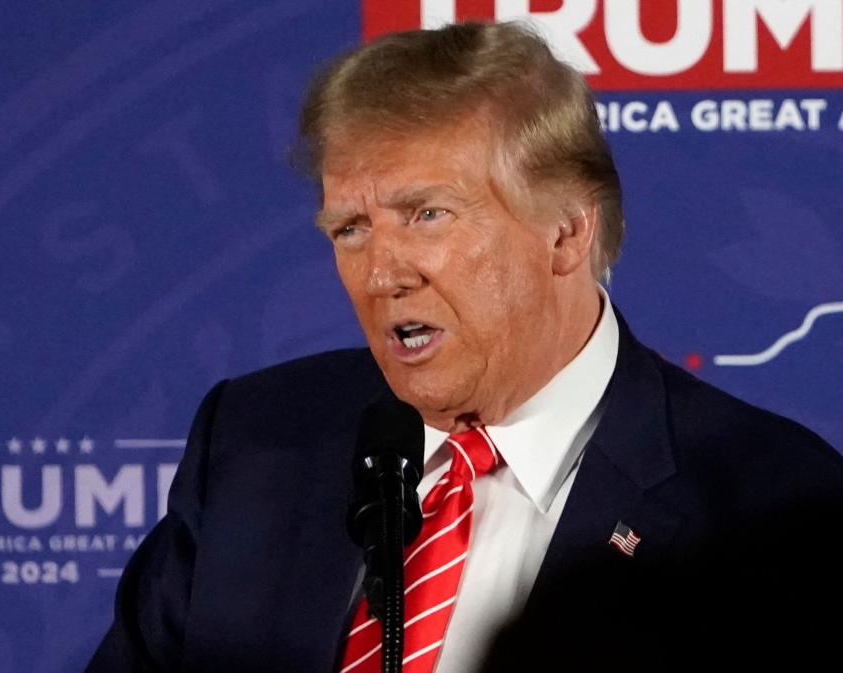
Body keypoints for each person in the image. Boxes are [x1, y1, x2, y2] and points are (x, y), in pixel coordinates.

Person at [87, 22, 843, 673]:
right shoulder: (255, 442)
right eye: (351, 228)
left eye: (427, 214)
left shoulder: (769, 508)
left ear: (565, 231)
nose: (381, 274)